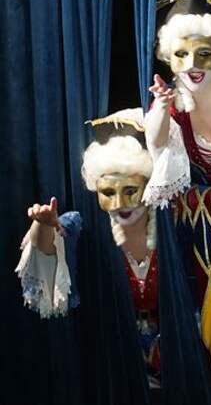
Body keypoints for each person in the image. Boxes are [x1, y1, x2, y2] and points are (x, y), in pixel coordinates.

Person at [17, 109, 164, 387]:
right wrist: (43, 225)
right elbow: (49, 249)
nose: (119, 203)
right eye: (108, 192)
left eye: (130, 190)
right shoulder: (85, 228)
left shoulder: (170, 226)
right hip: (115, 365)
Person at [145, 0, 211, 360]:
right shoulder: (176, 107)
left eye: (204, 53)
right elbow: (157, 144)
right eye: (182, 54)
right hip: (208, 228)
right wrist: (162, 108)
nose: (193, 65)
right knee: (204, 206)